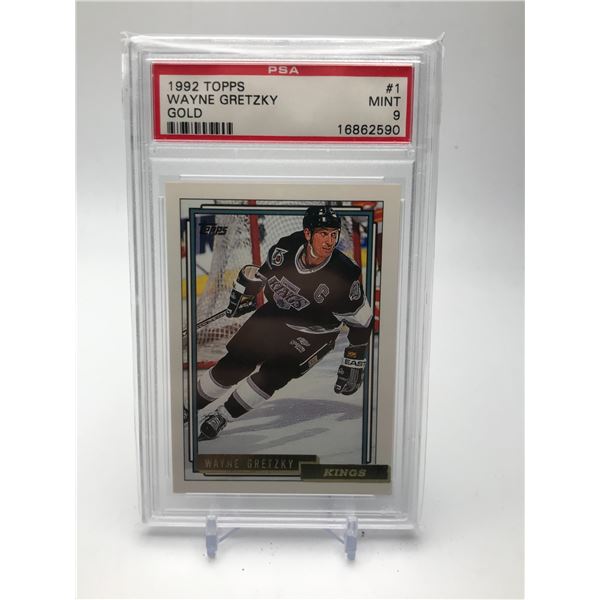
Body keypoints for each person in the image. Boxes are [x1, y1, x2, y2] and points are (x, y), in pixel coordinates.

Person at [196, 206, 373, 440]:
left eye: (334, 234)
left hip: (313, 334)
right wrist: (246, 292)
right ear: (308, 233)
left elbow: (363, 321)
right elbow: (262, 276)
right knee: (234, 364)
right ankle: (189, 407)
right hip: (277, 314)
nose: (330, 241)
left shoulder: (343, 276)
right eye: (323, 233)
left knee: (272, 375)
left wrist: (355, 358)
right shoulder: (286, 248)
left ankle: (222, 416)